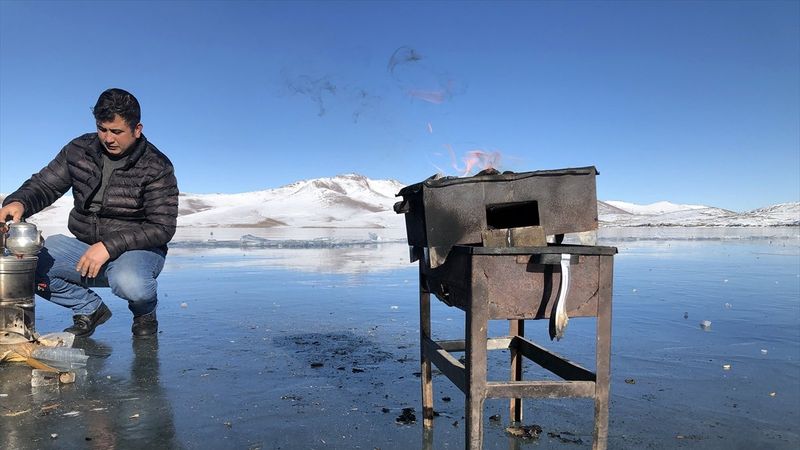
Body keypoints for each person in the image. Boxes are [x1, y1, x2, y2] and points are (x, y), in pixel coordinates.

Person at [0, 88, 178, 338]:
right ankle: (89, 309)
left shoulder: (157, 166)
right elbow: (46, 184)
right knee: (26, 266)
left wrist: (108, 245)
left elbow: (162, 227)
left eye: (116, 131)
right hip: (86, 245)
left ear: (137, 129)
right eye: (102, 129)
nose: (108, 138)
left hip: (139, 250)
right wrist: (19, 201)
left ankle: (145, 312)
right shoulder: (79, 150)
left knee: (130, 282)